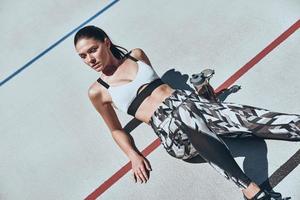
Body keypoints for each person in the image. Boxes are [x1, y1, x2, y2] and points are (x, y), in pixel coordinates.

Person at [74, 25, 300, 200]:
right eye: (83, 56)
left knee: (249, 118)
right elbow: (115, 129)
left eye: (92, 50)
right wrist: (134, 155)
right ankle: (251, 190)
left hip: (194, 107)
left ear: (106, 42)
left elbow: (164, 90)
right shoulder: (98, 91)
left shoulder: (137, 55)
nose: (90, 59)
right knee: (186, 112)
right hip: (173, 134)